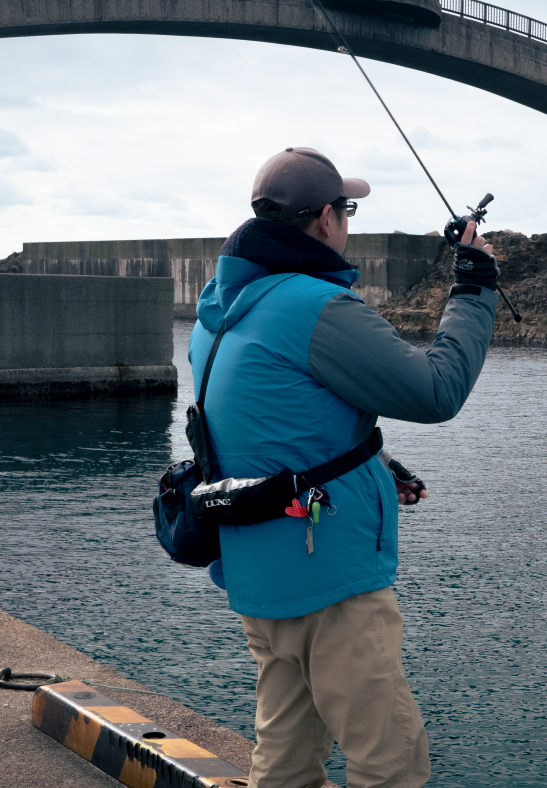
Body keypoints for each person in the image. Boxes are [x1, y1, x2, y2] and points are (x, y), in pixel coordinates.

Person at [188, 146, 500, 788]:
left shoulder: (217, 312)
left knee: (287, 757)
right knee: (391, 760)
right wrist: (474, 287)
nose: (349, 222)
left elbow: (270, 426)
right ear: (325, 221)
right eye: (348, 208)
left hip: (260, 574)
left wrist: (372, 463)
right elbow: (436, 391)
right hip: (327, 579)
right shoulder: (313, 306)